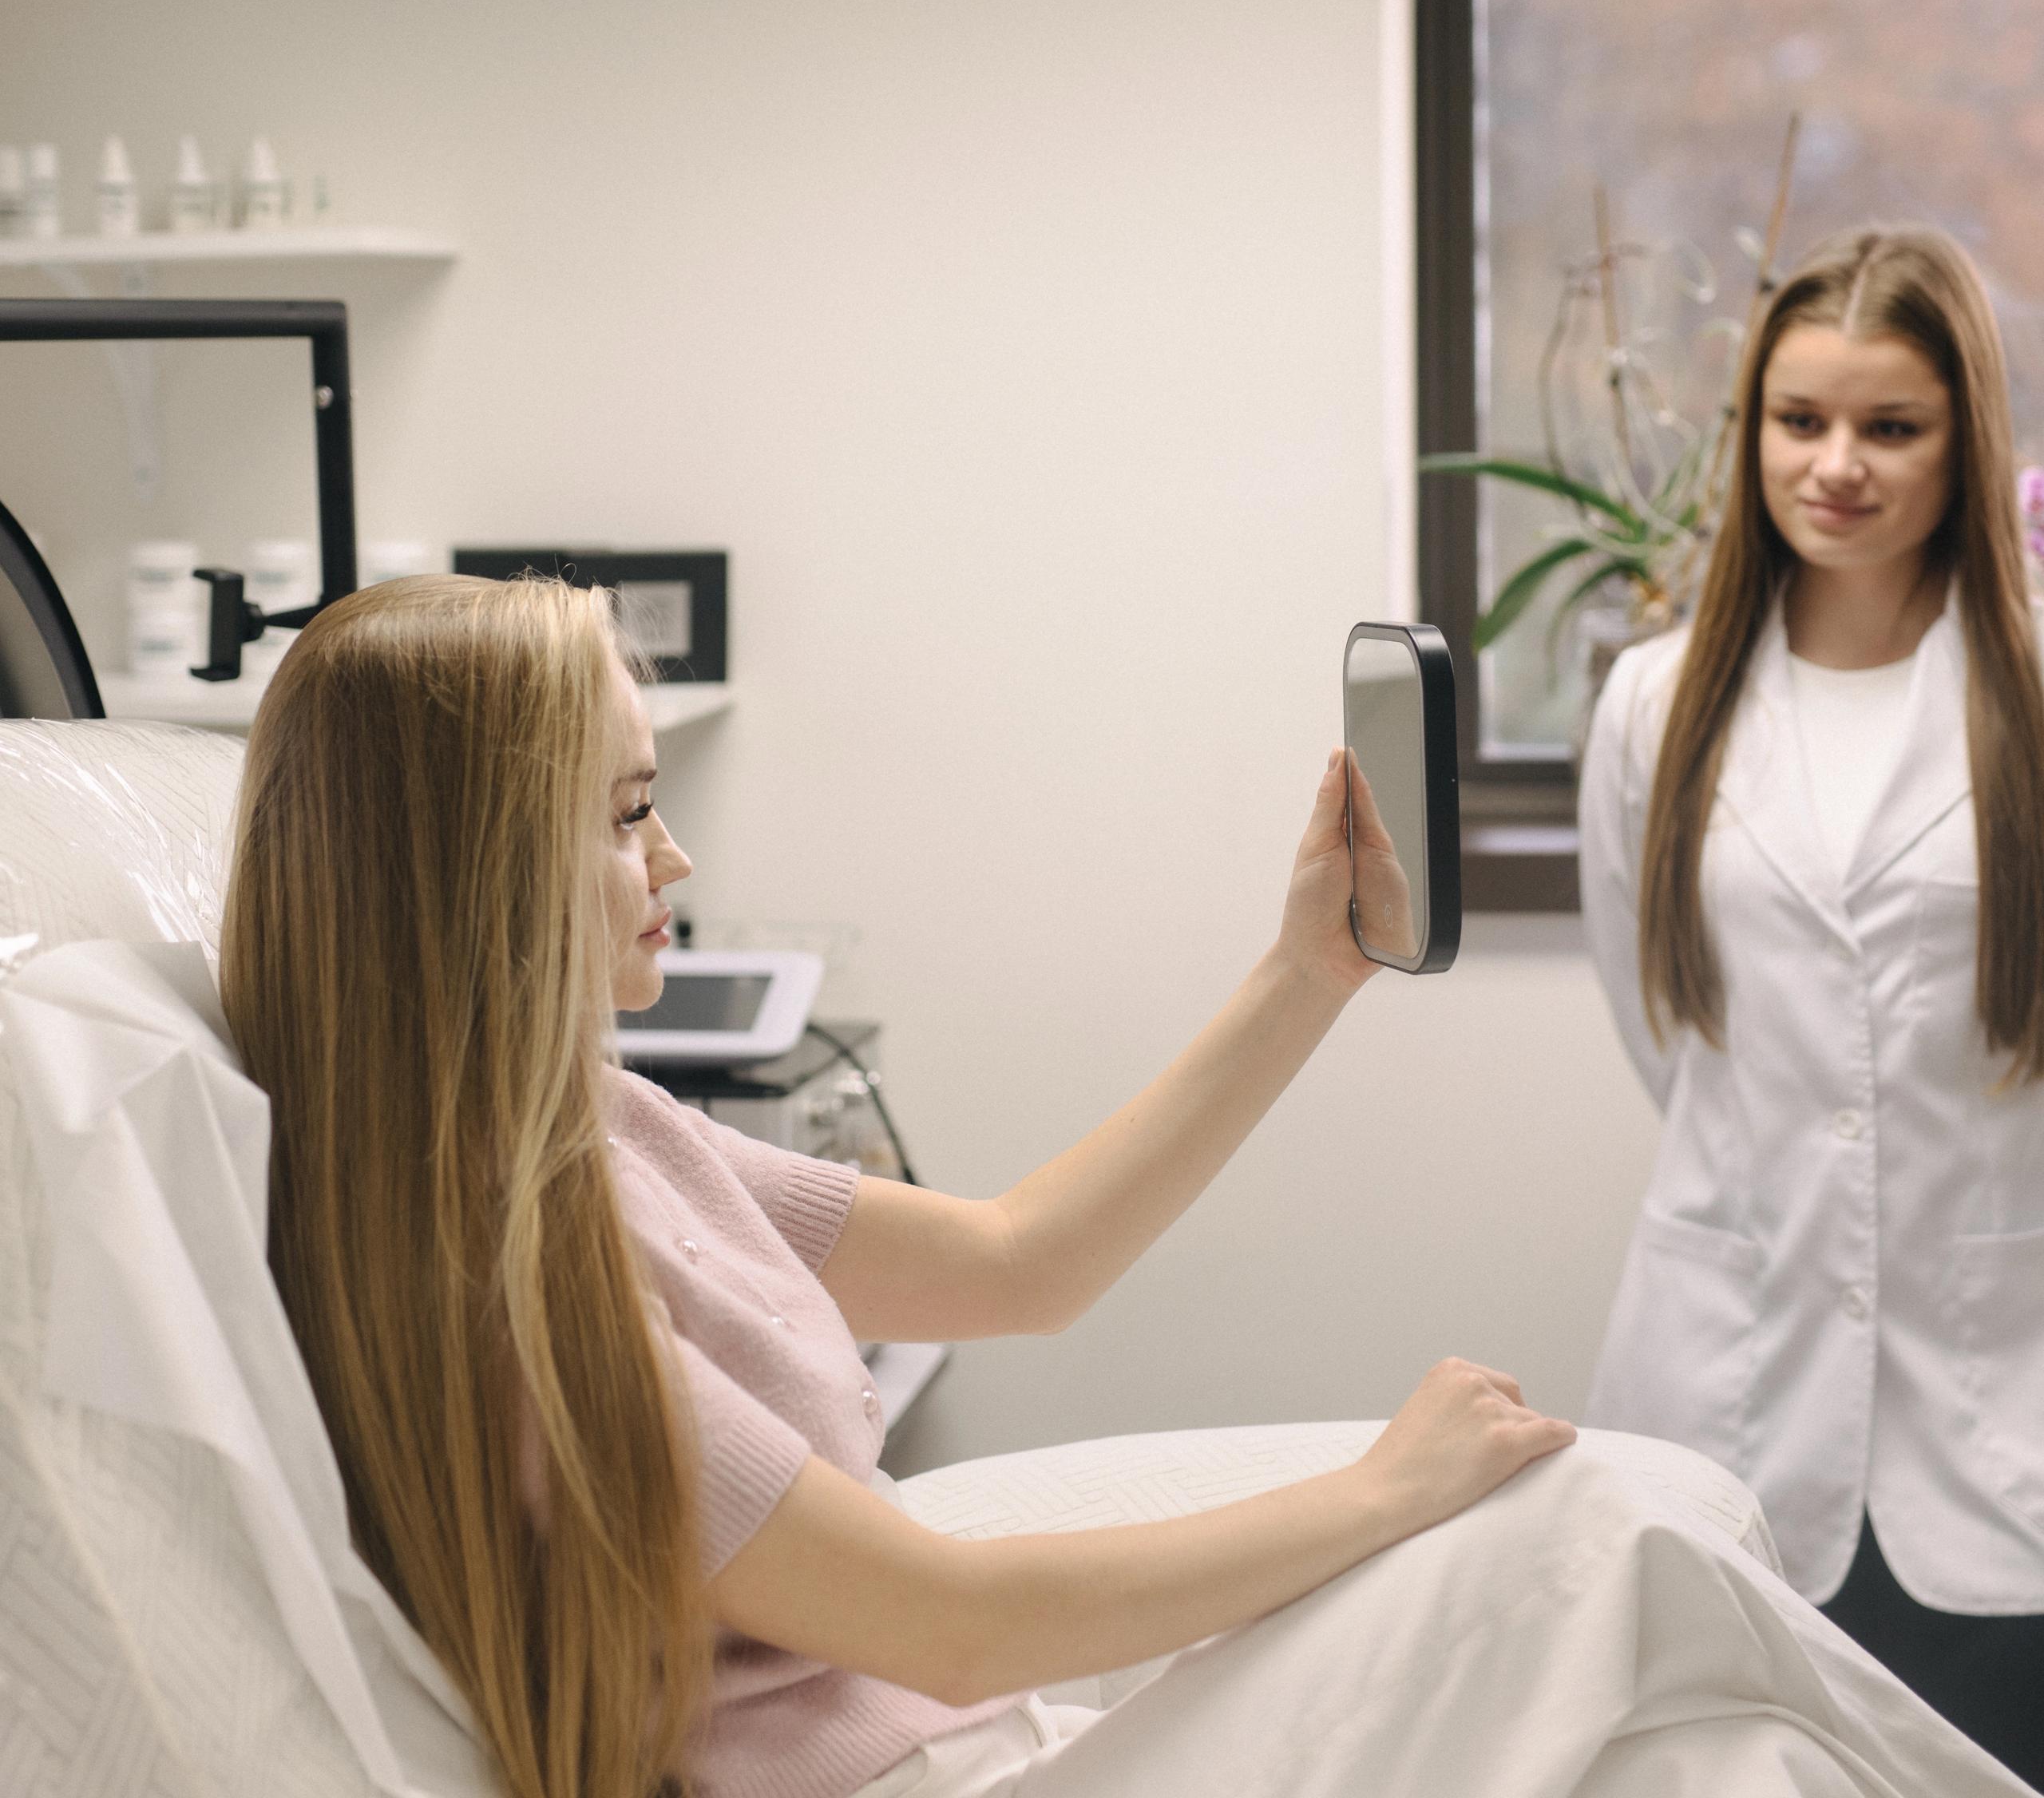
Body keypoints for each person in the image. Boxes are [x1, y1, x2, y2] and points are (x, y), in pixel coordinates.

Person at [220, 573, 2026, 1798]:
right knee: (1614, 1526)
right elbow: (954, 1619)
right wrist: (1386, 1486)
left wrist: (1304, 965)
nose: (675, 851)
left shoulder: (600, 1134)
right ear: (468, 863)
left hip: (954, 1730)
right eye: (625, 813)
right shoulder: (511, 1281)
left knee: (1697, 1742)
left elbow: (1019, 1259)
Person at [1579, 223, 2044, 1788]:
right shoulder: (1653, 701)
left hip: (1994, 1386)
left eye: (1887, 427)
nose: (1833, 464)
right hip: (1727, 1367)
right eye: (1798, 420)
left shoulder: (2034, 690)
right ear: (1751, 429)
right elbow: (1660, 1024)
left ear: (1960, 440)